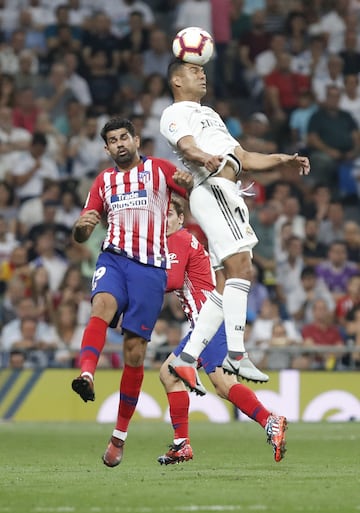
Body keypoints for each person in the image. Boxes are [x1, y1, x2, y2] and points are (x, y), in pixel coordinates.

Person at [159, 58, 310, 395]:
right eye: (193, 71)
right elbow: (186, 146)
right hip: (212, 188)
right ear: (176, 82)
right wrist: (202, 158)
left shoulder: (210, 115)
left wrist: (282, 159)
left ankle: (186, 358)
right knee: (242, 268)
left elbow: (243, 156)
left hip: (227, 189)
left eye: (202, 70)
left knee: (226, 281)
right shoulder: (174, 113)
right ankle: (237, 353)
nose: (202, 73)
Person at [70, 117, 192, 468]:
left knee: (134, 353)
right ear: (106, 149)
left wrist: (190, 185)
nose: (120, 143)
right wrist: (81, 229)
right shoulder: (103, 181)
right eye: (112, 140)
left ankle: (119, 437)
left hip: (151, 270)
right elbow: (83, 229)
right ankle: (87, 374)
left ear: (136, 141)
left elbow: (191, 194)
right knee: (101, 305)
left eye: (125, 137)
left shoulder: (160, 169)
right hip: (114, 259)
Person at [158, 197, 287, 465]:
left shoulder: (179, 240)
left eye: (170, 214)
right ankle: (182, 445)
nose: (165, 219)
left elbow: (169, 281)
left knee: (224, 384)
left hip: (210, 321)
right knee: (170, 374)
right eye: (161, 215)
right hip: (203, 323)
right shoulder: (179, 241)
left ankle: (269, 420)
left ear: (181, 219)